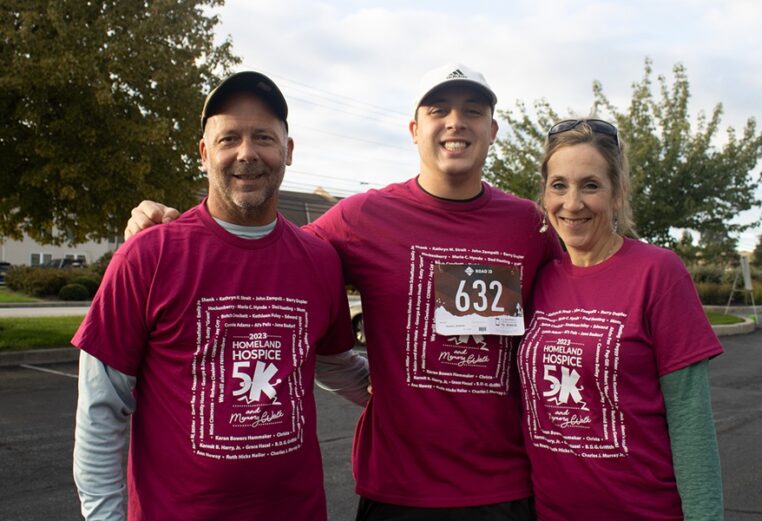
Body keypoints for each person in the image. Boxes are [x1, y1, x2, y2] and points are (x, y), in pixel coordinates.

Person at [125, 63, 561, 520]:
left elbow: (586, 291)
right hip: (397, 491)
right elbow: (261, 251)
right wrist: (169, 231)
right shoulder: (362, 218)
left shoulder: (529, 226)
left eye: (473, 111)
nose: (455, 122)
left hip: (504, 488)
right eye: (438, 110)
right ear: (415, 129)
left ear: (492, 130)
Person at [72, 71, 368, 521]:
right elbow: (101, 409)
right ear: (204, 153)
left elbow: (335, 366)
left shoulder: (319, 260)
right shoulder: (149, 255)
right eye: (229, 138)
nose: (247, 154)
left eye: (264, 137)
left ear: (288, 151)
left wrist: (418, 393)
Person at [517, 119, 724, 520]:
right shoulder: (538, 277)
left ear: (617, 194)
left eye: (590, 185)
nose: (572, 203)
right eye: (559, 185)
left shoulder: (658, 271)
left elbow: (691, 421)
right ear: (544, 194)